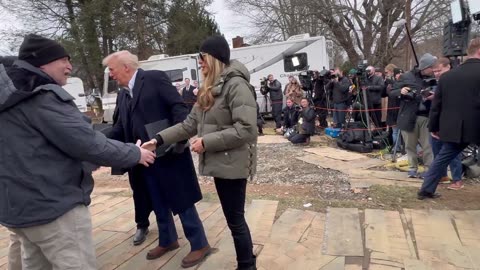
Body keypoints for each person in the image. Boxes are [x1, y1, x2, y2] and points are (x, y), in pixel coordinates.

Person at [0, 34, 155, 270]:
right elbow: (87, 143)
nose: (70, 66)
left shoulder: (9, 97)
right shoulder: (40, 97)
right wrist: (135, 153)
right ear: (43, 63)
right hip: (54, 209)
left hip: (20, 210)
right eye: (64, 60)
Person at [142, 36, 258, 270]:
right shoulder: (210, 87)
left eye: (202, 57)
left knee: (235, 221)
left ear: (213, 57)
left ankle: (247, 266)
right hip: (221, 163)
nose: (199, 62)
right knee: (233, 219)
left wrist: (206, 142)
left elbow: (247, 129)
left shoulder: (236, 86)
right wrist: (159, 139)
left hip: (233, 164)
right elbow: (188, 125)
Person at [103, 51, 210, 266]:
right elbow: (121, 127)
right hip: (143, 159)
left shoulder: (154, 78)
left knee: (182, 200)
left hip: (167, 152)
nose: (110, 74)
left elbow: (179, 109)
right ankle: (168, 239)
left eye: (112, 69)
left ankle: (200, 244)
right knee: (157, 200)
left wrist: (177, 141)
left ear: (125, 67)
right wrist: (94, 139)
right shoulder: (124, 94)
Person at [418, 39, 480, 199]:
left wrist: (434, 127)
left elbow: (437, 106)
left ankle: (426, 189)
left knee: (442, 158)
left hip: (456, 127)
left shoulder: (447, 77)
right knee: (443, 157)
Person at [391, 53, 436, 178]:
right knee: (410, 145)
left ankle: (428, 169)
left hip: (426, 116)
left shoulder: (434, 78)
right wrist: (401, 91)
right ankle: (412, 168)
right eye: (431, 67)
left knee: (428, 145)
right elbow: (391, 92)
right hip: (408, 115)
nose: (433, 70)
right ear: (425, 67)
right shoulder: (406, 76)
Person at [384, 64, 403, 151]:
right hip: (392, 109)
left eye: (387, 72)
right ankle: (396, 147)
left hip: (397, 109)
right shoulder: (390, 84)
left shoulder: (395, 84)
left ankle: (397, 147)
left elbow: (393, 94)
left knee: (397, 131)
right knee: (395, 131)